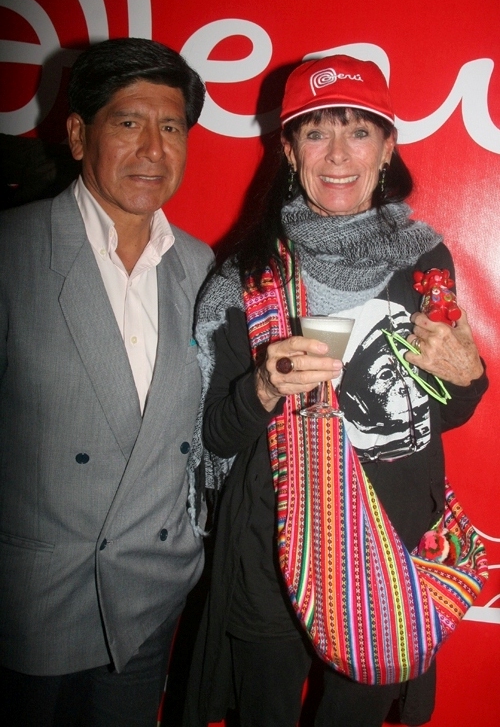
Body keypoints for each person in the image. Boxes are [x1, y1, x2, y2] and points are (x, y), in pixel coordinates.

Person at [183, 55, 488, 727]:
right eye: (317, 133)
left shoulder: (422, 259)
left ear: (388, 148)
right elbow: (215, 437)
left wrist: (469, 377)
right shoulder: (247, 277)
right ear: (289, 151)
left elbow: (440, 413)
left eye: (358, 131)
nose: (339, 155)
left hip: (390, 550)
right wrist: (264, 385)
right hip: (275, 548)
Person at [0, 38, 213, 726]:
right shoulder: (14, 252)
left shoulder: (203, 268)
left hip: (150, 597)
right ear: (76, 134)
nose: (153, 149)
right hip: (33, 603)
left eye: (171, 127)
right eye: (128, 122)